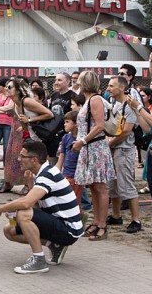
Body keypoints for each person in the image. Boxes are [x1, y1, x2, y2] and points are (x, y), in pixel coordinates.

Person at [0, 141, 83, 274]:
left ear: (34, 160)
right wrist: (29, 182)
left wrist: (0, 208)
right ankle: (55, 246)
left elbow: (26, 203)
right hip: (58, 223)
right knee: (9, 230)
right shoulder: (41, 173)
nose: (19, 159)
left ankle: (39, 260)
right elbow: (35, 204)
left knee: (23, 213)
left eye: (22, 156)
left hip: (69, 230)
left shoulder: (48, 174)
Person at [72, 71, 115, 241]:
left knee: (100, 187)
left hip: (95, 147)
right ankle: (96, 221)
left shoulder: (95, 99)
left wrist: (82, 141)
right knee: (94, 187)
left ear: (85, 83)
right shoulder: (90, 100)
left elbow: (99, 126)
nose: (77, 84)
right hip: (90, 147)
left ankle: (102, 224)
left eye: (79, 81)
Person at [105, 76, 141, 234]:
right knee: (112, 185)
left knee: (126, 185)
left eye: (111, 86)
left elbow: (126, 131)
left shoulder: (129, 105)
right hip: (113, 148)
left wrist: (110, 143)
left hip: (124, 149)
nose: (108, 88)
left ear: (121, 87)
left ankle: (136, 220)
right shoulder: (114, 103)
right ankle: (116, 215)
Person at [56, 111, 84, 215]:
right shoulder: (65, 138)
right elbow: (62, 155)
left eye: (67, 122)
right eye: (64, 122)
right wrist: (58, 170)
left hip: (76, 175)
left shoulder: (81, 140)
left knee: (75, 200)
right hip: (66, 173)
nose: (64, 124)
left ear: (76, 123)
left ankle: (78, 218)